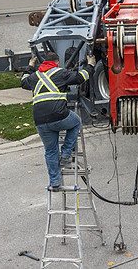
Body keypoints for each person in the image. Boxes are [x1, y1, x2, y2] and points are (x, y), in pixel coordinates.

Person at [21, 52, 96, 192]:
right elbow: (81, 77)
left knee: (50, 151)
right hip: (58, 115)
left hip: (40, 121)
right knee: (76, 122)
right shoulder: (60, 73)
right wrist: (90, 65)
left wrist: (30, 65)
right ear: (57, 62)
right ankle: (66, 154)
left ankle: (55, 183)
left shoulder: (34, 76)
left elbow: (23, 81)